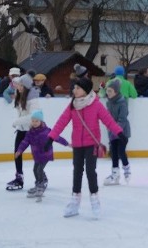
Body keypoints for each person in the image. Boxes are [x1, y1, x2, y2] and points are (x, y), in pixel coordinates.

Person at [44, 78, 126, 219]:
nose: (74, 90)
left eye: (77, 88)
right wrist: (51, 138)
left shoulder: (96, 105)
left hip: (91, 144)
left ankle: (94, 200)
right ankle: (75, 201)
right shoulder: (72, 105)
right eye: (74, 88)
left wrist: (119, 133)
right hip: (77, 144)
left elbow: (108, 120)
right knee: (77, 172)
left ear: (85, 90)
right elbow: (61, 122)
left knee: (90, 171)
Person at [14, 110, 69, 200]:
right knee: (35, 169)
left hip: (46, 154)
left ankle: (41, 185)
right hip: (37, 155)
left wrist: (67, 144)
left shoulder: (47, 131)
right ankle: (40, 183)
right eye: (33, 121)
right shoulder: (30, 132)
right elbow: (25, 142)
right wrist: (19, 150)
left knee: (39, 169)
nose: (34, 123)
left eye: (37, 121)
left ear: (41, 121)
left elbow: (57, 137)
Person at [6, 74, 40, 191]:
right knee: (17, 154)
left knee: (37, 155)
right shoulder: (20, 95)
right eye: (18, 85)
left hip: (32, 131)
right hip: (21, 130)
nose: (18, 87)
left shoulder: (32, 99)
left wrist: (17, 121)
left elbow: (33, 115)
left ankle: (41, 179)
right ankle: (19, 178)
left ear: (25, 86)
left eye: (20, 85)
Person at [103, 79, 132, 185]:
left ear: (116, 92)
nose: (108, 93)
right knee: (113, 152)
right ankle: (115, 174)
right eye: (107, 91)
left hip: (122, 132)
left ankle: (127, 169)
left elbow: (122, 119)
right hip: (112, 131)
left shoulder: (122, 102)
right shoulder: (109, 102)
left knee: (120, 151)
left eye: (110, 91)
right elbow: (107, 116)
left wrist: (116, 130)